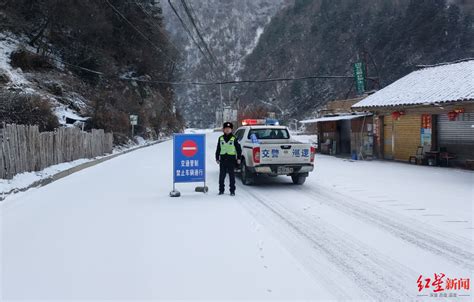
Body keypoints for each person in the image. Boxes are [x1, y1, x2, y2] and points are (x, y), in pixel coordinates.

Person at [215, 122, 242, 196]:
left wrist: (239, 158)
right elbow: (218, 148)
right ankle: (221, 190)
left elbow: (238, 149)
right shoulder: (220, 138)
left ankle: (232, 191)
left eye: (229, 129)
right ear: (223, 130)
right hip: (223, 159)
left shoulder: (234, 138)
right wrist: (217, 158)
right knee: (222, 176)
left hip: (231, 159)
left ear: (231, 130)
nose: (227, 130)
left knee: (231, 176)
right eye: (226, 129)